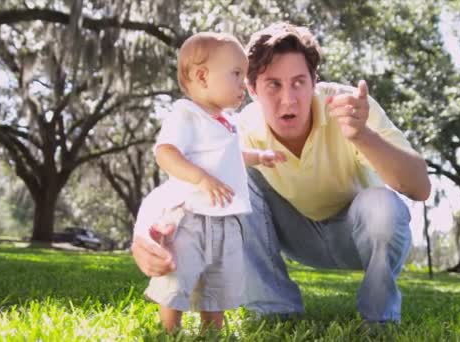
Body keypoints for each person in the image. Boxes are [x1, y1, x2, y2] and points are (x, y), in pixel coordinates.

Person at [132, 23, 431, 325]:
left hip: (356, 235)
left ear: (315, 81)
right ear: (250, 89)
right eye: (273, 85)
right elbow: (182, 181)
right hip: (297, 236)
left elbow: (420, 188)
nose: (288, 99)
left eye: (299, 82)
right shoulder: (241, 129)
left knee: (382, 205)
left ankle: (379, 320)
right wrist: (143, 230)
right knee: (236, 172)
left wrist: (363, 135)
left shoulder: (349, 107)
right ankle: (274, 311)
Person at [133, 31, 286, 333]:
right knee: (179, 274)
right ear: (202, 77)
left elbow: (230, 157)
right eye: (236, 74)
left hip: (226, 219)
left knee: (220, 281)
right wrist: (201, 179)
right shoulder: (185, 113)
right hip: (191, 217)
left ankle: (212, 331)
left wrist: (259, 156)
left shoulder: (226, 122)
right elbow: (165, 153)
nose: (244, 83)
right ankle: (169, 329)